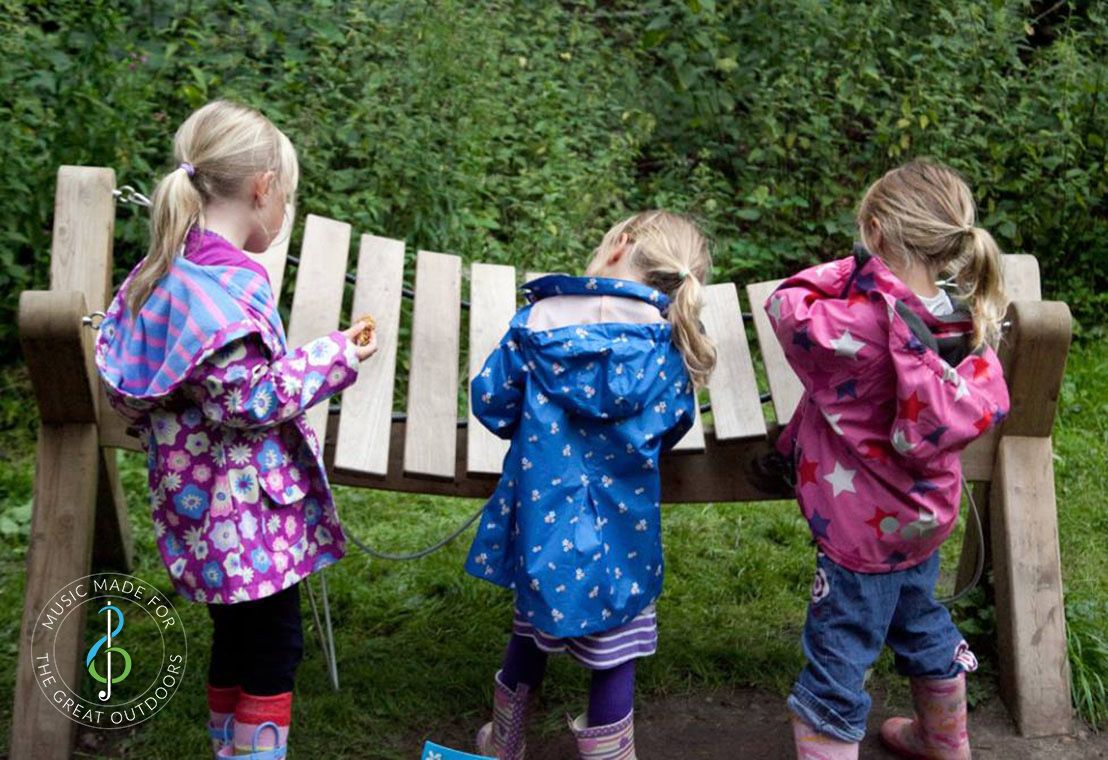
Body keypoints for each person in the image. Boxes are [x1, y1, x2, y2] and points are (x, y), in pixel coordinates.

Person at [95, 100, 377, 759]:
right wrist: (336, 356)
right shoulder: (221, 291)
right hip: (246, 515)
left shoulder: (169, 271)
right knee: (275, 648)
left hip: (200, 510)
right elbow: (245, 400)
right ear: (263, 188)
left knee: (236, 639)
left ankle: (229, 748)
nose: (285, 213)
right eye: (290, 197)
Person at [767, 160, 1011, 759]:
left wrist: (858, 266)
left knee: (838, 654)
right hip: (922, 520)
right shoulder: (965, 317)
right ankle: (943, 742)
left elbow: (785, 304)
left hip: (855, 531)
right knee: (919, 618)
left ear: (875, 231)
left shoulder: (855, 322)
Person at [465, 210, 716, 759]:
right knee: (616, 651)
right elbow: (674, 423)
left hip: (542, 521)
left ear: (620, 245)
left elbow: (490, 400)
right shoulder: (666, 344)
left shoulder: (538, 322)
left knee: (530, 630)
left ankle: (503, 743)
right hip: (623, 533)